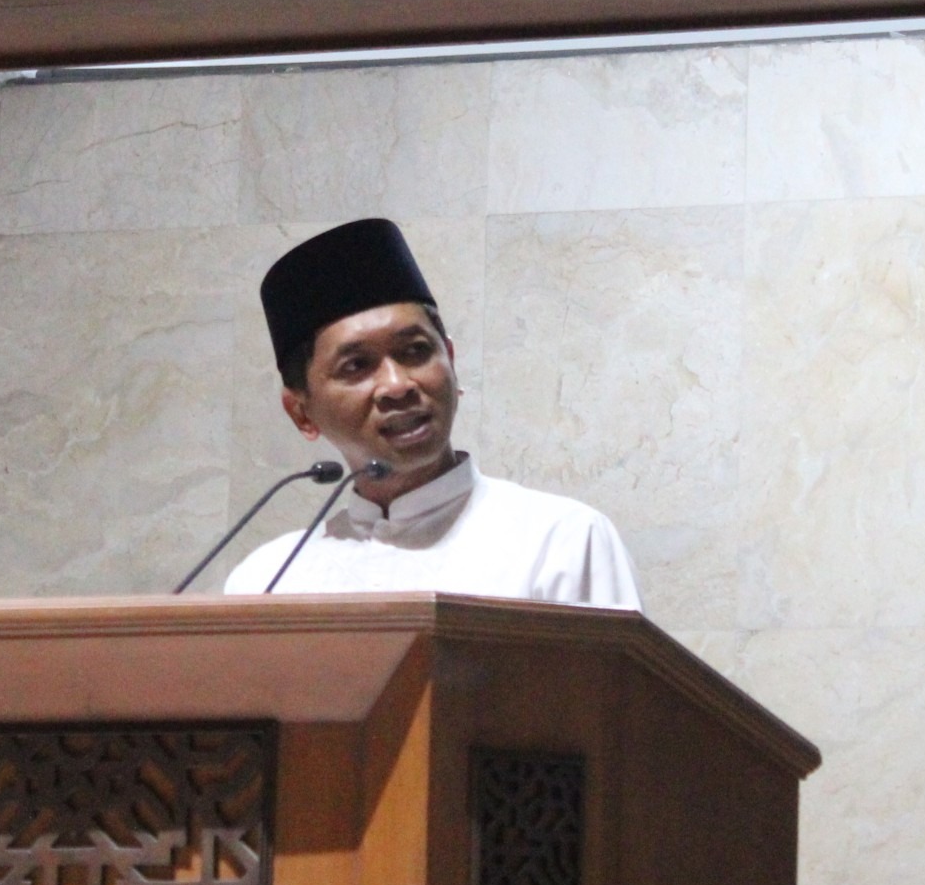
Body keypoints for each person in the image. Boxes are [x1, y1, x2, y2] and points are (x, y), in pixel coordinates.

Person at [223, 218, 642, 609]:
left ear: (452, 359)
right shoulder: (267, 581)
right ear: (301, 413)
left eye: (416, 352)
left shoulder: (558, 541)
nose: (398, 384)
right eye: (356, 366)